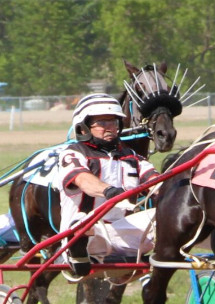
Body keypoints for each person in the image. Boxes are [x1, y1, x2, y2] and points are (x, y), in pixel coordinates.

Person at [56, 93, 159, 278]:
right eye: (102, 123)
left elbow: (155, 182)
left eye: (113, 122)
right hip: (86, 233)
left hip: (122, 234)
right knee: (83, 223)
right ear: (83, 127)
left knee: (165, 216)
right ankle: (77, 248)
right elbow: (82, 180)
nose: (109, 127)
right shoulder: (73, 153)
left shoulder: (132, 156)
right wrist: (108, 191)